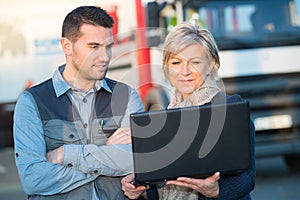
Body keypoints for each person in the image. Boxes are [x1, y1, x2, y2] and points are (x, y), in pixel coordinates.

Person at [13, 6, 143, 200]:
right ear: (67, 46)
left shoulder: (127, 96)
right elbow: (33, 178)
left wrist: (67, 155)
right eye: (94, 47)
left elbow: (140, 160)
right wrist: (107, 158)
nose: (105, 57)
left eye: (108, 46)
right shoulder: (31, 103)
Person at [121, 21, 256, 199]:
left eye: (195, 62)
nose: (184, 71)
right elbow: (160, 184)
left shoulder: (229, 111)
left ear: (211, 65)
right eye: (176, 62)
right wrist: (139, 189)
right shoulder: (160, 119)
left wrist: (216, 191)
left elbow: (248, 177)